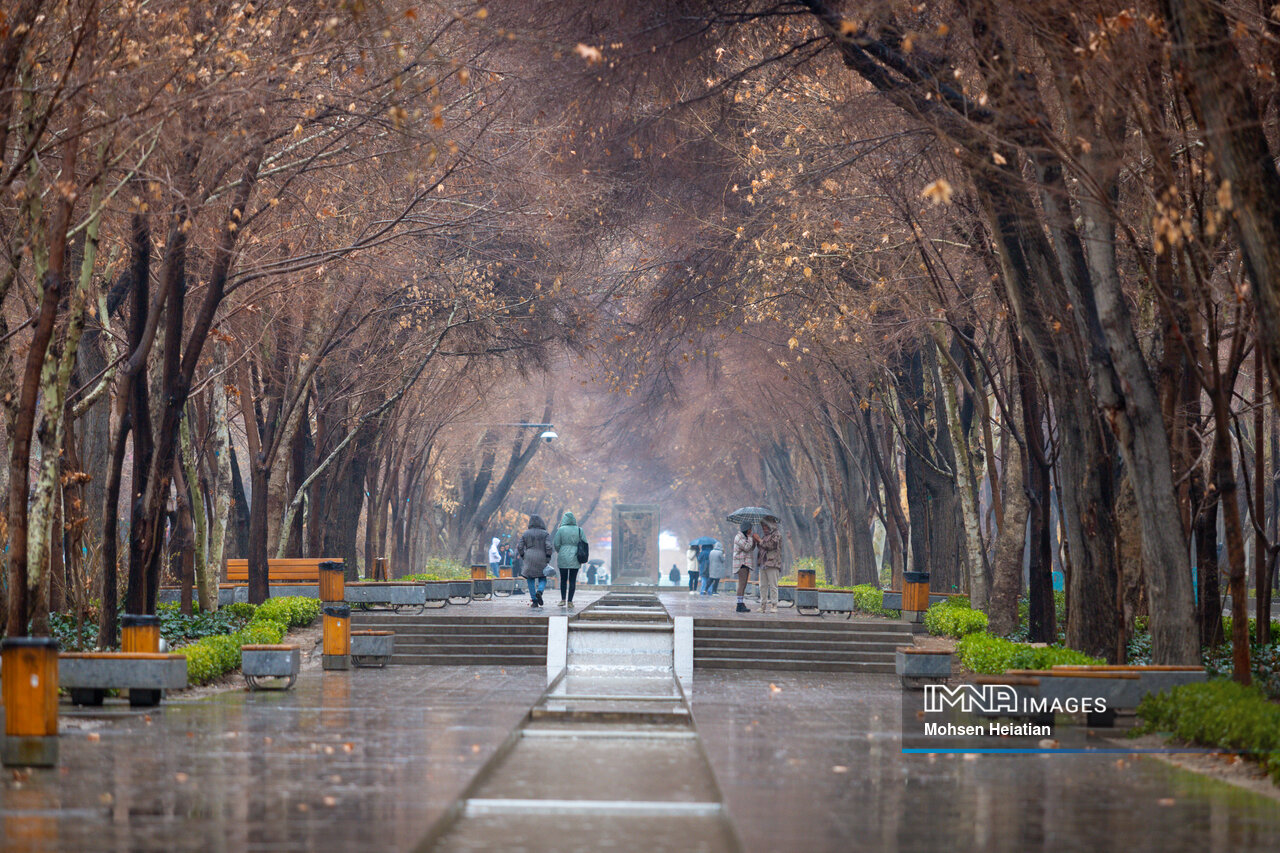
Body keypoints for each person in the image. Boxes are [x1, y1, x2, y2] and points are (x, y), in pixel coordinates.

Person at [552, 511, 586, 610]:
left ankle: (563, 599)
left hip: (563, 556)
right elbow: (585, 542)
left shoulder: (561, 530)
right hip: (576, 556)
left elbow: (556, 543)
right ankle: (570, 601)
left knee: (563, 579)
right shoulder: (579, 530)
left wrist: (561, 551)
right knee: (572, 580)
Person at [517, 515, 553, 608]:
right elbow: (549, 547)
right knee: (543, 577)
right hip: (542, 557)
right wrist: (548, 557)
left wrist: (523, 555)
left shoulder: (526, 533)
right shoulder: (545, 534)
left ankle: (534, 600)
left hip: (529, 557)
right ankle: (540, 591)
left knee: (530, 578)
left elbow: (520, 547)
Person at [754, 519, 782, 614]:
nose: (764, 528)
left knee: (773, 586)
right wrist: (757, 541)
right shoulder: (765, 536)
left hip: (772, 563)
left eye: (765, 526)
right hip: (763, 563)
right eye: (763, 527)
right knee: (762, 586)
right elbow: (762, 547)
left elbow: (771, 546)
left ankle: (774, 605)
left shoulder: (776, 534)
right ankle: (763, 605)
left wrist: (759, 540)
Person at [732, 522, 756, 613]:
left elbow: (750, 548)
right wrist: (751, 538)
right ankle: (739, 604)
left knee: (744, 584)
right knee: (741, 584)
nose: (751, 530)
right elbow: (746, 547)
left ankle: (741, 603)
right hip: (741, 564)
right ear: (747, 529)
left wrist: (754, 542)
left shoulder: (745, 537)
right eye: (750, 528)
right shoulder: (739, 537)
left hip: (746, 563)